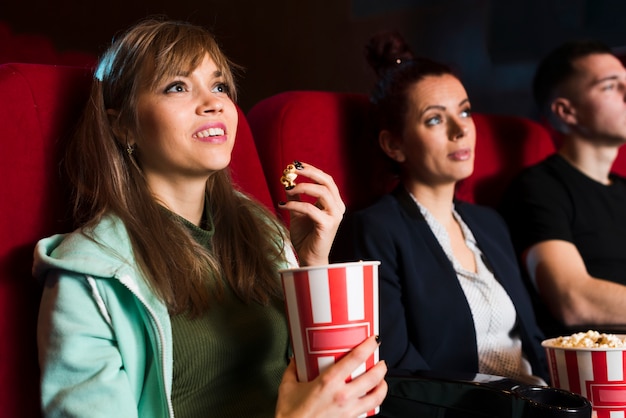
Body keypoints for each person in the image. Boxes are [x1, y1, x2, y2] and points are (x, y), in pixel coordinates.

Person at [33, 18, 387, 418]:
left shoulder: (264, 231)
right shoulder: (89, 274)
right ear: (123, 125)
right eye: (177, 87)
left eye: (219, 86)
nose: (214, 102)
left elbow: (342, 393)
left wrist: (311, 268)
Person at [334, 31, 549, 385]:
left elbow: (535, 343)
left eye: (464, 111)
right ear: (394, 145)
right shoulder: (374, 230)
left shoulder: (490, 223)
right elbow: (398, 369)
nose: (460, 129)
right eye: (434, 119)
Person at [500, 40, 626, 338]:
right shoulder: (538, 188)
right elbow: (572, 299)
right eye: (610, 86)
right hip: (593, 367)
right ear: (567, 112)